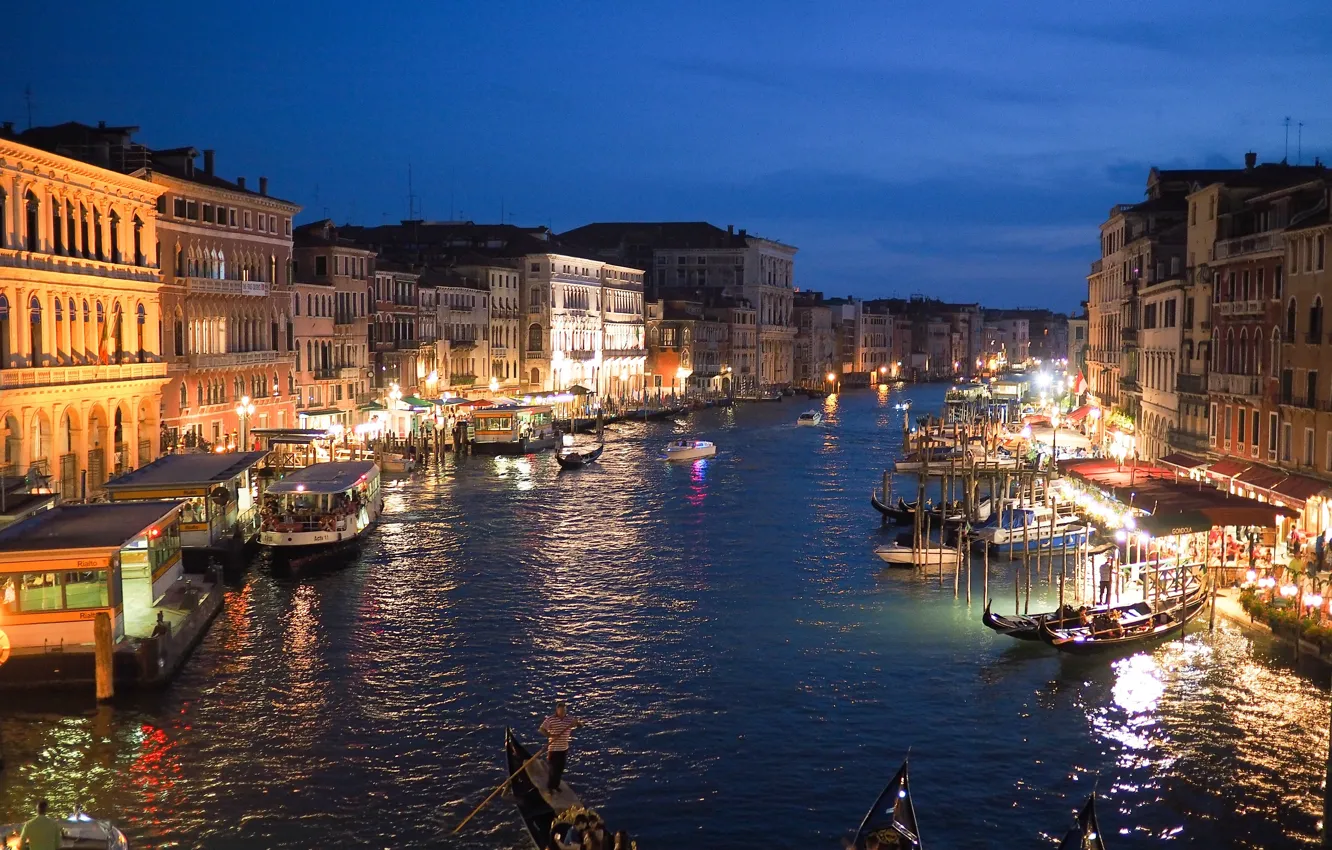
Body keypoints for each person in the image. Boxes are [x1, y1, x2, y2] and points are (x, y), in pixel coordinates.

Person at [539, 702, 583, 793]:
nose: (563, 713)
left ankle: (556, 786)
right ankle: (550, 787)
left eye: (564, 711)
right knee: (553, 769)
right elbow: (542, 729)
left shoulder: (569, 719)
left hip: (563, 749)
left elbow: (580, 726)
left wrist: (577, 723)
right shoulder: (550, 719)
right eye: (561, 711)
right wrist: (551, 735)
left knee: (559, 769)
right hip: (553, 749)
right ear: (557, 711)